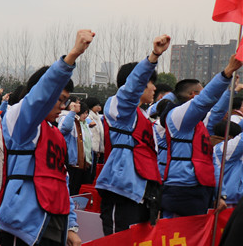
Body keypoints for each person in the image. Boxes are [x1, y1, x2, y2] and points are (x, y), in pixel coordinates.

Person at [0, 30, 94, 246]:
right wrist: (72, 56)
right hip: (24, 228)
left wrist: (71, 227)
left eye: (65, 100)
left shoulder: (57, 135)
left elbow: (62, 183)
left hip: (53, 229)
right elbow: (39, 98)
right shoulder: (21, 122)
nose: (61, 106)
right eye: (57, 99)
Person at [95, 37, 170, 235]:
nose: (154, 88)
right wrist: (153, 57)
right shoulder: (119, 108)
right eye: (150, 82)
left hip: (143, 195)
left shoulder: (144, 117)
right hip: (122, 193)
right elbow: (130, 90)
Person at [159, 56, 242, 218]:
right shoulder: (177, 117)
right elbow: (204, 101)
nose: (209, 99)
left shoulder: (201, 124)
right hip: (181, 188)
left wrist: (220, 193)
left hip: (200, 188)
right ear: (192, 96)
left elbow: (217, 111)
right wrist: (226, 73)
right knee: (176, 233)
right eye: (202, 92)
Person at [59, 101, 93, 196]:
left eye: (87, 113)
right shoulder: (67, 119)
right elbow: (65, 128)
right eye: (84, 113)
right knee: (70, 189)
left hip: (83, 164)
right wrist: (73, 111)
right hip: (72, 163)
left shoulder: (84, 124)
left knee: (78, 190)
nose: (85, 115)